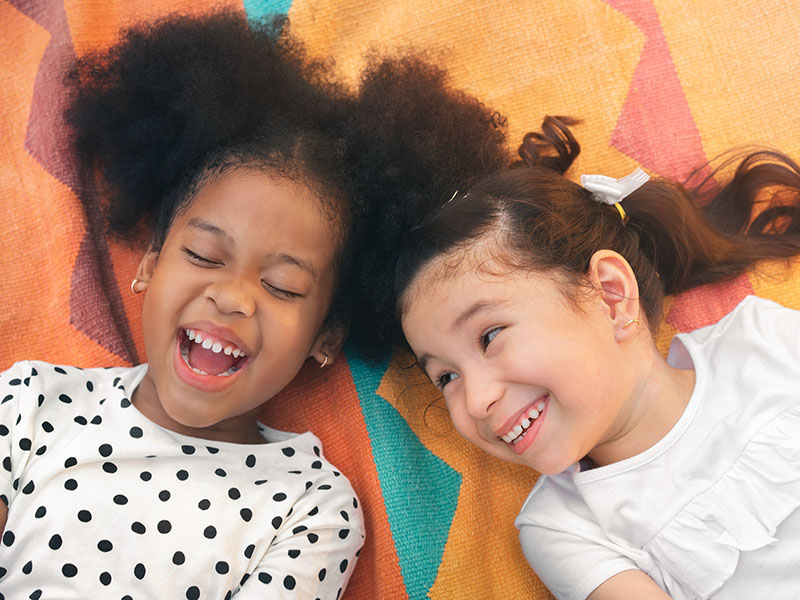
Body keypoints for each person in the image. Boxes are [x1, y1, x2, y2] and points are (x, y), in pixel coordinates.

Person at [0, 10, 511, 598]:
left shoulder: (310, 507)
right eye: (204, 255)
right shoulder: (34, 404)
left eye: (283, 287)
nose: (233, 296)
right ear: (148, 263)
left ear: (326, 336)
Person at [392, 116, 800, 599]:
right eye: (445, 377)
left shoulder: (763, 341)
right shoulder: (563, 530)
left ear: (610, 296)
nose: (475, 400)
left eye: (490, 336)